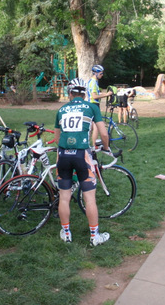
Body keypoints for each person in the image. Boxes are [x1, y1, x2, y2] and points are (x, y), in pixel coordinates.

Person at [55, 78, 112, 246]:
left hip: (63, 155)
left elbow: (57, 138)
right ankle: (94, 237)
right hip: (82, 156)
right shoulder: (92, 107)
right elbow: (104, 134)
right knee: (90, 199)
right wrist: (106, 148)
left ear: (70, 93)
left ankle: (66, 233)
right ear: (84, 93)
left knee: (64, 198)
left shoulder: (61, 109)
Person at [87, 65, 112, 145]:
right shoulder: (94, 82)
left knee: (91, 126)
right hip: (94, 104)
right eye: (101, 74)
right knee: (96, 126)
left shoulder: (91, 81)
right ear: (95, 73)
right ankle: (94, 145)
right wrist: (107, 95)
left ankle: (88, 143)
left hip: (91, 104)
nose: (102, 75)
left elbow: (95, 93)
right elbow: (94, 96)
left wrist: (104, 94)